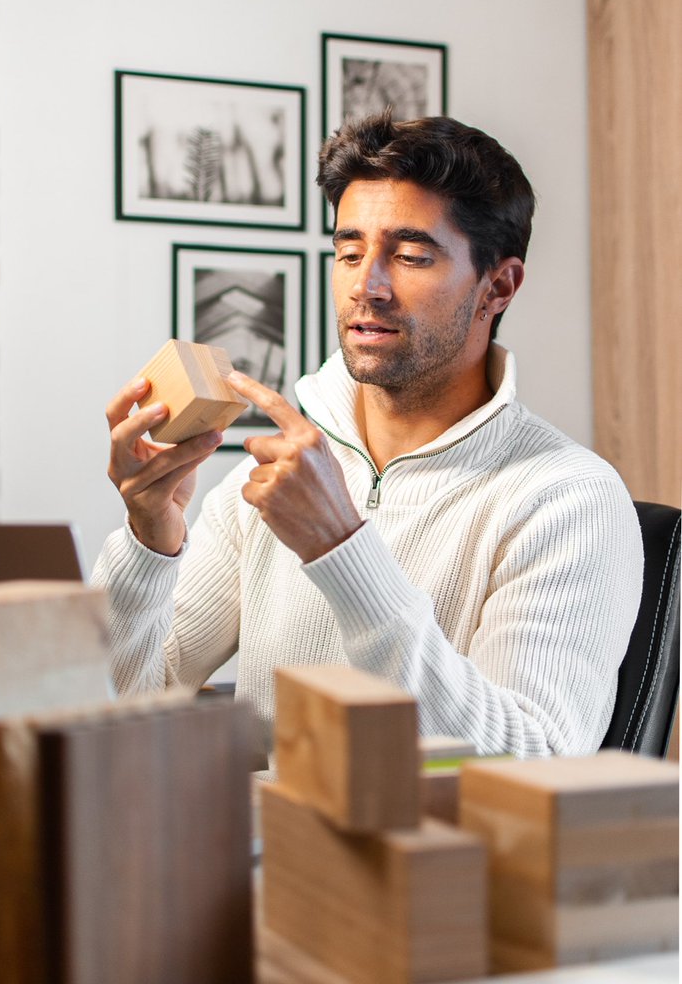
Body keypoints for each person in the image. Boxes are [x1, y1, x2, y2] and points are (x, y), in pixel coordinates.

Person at [92, 113, 642, 761]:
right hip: (270, 848)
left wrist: (342, 550)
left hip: (433, 863)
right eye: (348, 252)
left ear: (498, 286)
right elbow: (125, 701)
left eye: (410, 256)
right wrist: (149, 538)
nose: (366, 286)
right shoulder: (266, 477)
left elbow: (532, 760)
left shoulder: (567, 498)